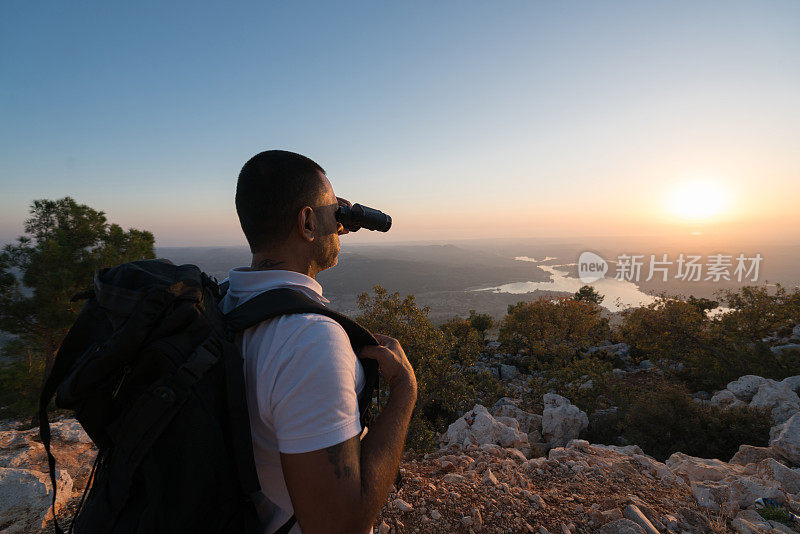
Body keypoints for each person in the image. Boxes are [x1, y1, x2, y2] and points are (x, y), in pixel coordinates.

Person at [219, 150, 417, 534]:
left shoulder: (227, 302)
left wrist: (326, 211)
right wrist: (404, 392)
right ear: (307, 221)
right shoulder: (309, 340)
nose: (339, 222)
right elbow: (341, 527)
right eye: (332, 212)